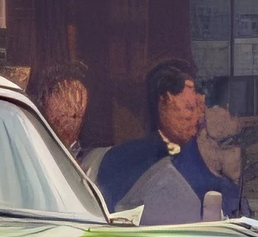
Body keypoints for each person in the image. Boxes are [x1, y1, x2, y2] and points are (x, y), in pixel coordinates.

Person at [94, 58, 246, 224]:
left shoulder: (205, 154)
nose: (197, 116)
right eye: (189, 107)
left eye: (199, 107)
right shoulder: (124, 158)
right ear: (163, 102)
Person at [29, 60, 106, 179]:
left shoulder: (95, 160)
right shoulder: (30, 151)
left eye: (79, 101)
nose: (74, 110)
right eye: (59, 93)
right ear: (44, 104)